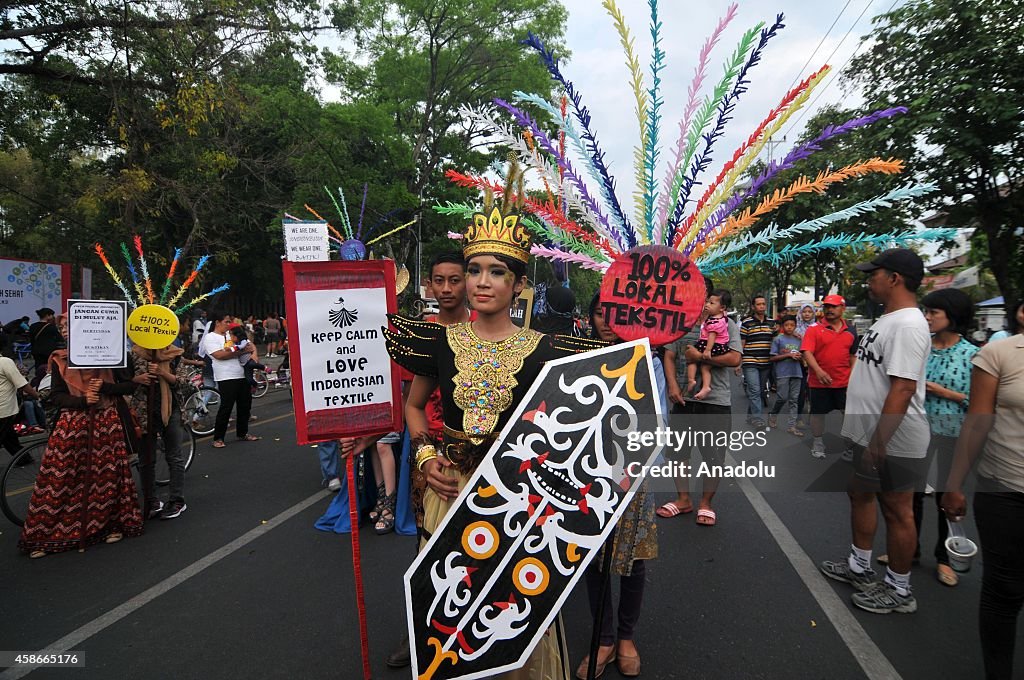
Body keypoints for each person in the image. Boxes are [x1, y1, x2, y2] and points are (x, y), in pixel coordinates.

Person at [383, 178, 603, 679]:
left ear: (518, 285)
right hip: (450, 491)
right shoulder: (439, 340)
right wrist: (423, 457)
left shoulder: (548, 352)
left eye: (496, 272)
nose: (481, 281)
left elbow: (564, 434)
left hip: (516, 501)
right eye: (474, 270)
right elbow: (414, 407)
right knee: (450, 608)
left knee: (510, 613)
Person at [820, 248, 931, 615]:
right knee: (859, 493)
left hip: (892, 438)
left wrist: (878, 445)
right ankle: (859, 566)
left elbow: (902, 389)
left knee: (898, 510)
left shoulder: (909, 325)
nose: (870, 279)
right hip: (868, 433)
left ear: (894, 278)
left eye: (875, 273)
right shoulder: (887, 319)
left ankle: (900, 590)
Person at [576, 292, 665, 679]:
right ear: (591, 317)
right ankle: (605, 637)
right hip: (585, 473)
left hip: (633, 474)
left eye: (617, 315)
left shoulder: (650, 360)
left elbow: (655, 421)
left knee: (634, 559)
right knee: (591, 559)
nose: (606, 322)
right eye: (599, 313)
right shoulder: (577, 358)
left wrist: (634, 469)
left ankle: (627, 636)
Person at [942, 298, 1024, 680]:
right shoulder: (998, 354)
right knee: (1004, 590)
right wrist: (955, 484)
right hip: (1004, 488)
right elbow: (977, 421)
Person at [18, 314, 146, 557]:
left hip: (106, 422)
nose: (65, 330)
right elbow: (56, 395)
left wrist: (104, 388)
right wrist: (83, 400)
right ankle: (47, 534)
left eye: (69, 325)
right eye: (63, 327)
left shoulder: (112, 356)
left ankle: (111, 525)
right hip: (73, 422)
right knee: (60, 478)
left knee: (106, 477)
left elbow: (128, 385)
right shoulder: (59, 359)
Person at [873, 288, 978, 585]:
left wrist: (944, 393)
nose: (927, 317)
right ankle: (910, 549)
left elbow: (978, 402)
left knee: (945, 497)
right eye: (926, 311)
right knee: (911, 497)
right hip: (916, 431)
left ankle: (944, 558)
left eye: (934, 313)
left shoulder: (971, 355)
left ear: (953, 318)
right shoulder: (922, 345)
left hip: (951, 435)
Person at [656, 286, 743, 525]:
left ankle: (706, 503)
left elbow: (735, 358)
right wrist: (673, 386)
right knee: (677, 454)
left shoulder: (727, 324)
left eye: (705, 297)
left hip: (715, 401)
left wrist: (702, 357)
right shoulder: (680, 324)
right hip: (684, 400)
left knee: (714, 457)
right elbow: (669, 356)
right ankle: (683, 499)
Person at [128, 340, 191, 521]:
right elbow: (123, 381)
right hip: (143, 411)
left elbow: (184, 383)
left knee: (174, 456)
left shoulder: (175, 355)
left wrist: (162, 373)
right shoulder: (135, 355)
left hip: (170, 411)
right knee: (146, 459)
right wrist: (137, 379)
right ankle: (151, 500)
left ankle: (176, 500)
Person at [800, 295, 858, 459]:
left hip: (844, 383)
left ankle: (849, 446)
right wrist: (818, 371)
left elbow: (853, 355)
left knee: (848, 416)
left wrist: (853, 375)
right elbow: (806, 352)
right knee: (818, 414)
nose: (830, 310)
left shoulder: (851, 331)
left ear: (843, 308)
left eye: (833, 306)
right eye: (827, 307)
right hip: (818, 383)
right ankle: (818, 442)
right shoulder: (814, 329)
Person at [203, 310, 260, 448]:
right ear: (217, 322)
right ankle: (218, 438)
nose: (229, 324)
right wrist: (242, 352)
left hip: (242, 374)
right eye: (226, 322)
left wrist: (253, 354)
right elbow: (219, 355)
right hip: (226, 376)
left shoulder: (231, 334)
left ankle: (242, 432)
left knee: (245, 405)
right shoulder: (210, 337)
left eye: (230, 321)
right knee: (226, 407)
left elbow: (250, 345)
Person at [739, 295, 777, 428]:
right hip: (750, 360)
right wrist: (738, 362)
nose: (761, 306)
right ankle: (758, 419)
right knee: (754, 390)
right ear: (753, 307)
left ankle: (751, 416)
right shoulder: (746, 323)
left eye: (763, 304)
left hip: (766, 362)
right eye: (759, 304)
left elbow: (776, 341)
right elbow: (742, 343)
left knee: (760, 391)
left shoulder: (772, 323)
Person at [686, 290, 731, 401]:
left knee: (694, 361)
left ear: (722, 308)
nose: (707, 305)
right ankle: (703, 385)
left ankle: (694, 381)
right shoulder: (721, 318)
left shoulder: (714, 321)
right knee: (704, 367)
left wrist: (707, 350)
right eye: (707, 302)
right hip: (715, 345)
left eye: (711, 303)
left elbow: (712, 336)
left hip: (713, 346)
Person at [767, 315, 804, 436]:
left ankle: (791, 426)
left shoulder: (799, 340)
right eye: (787, 325)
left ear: (795, 326)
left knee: (794, 399)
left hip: (797, 372)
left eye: (792, 325)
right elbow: (772, 357)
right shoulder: (778, 339)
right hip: (782, 373)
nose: (789, 327)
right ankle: (773, 414)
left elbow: (804, 355)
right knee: (782, 397)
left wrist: (800, 357)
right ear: (783, 326)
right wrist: (788, 355)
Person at [1, 353, 41, 457]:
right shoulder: (5, 362)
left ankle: (23, 458)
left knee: (8, 436)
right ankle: (22, 457)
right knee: (6, 435)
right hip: (4, 409)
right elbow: (22, 384)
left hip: (4, 409)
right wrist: (37, 396)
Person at [28, 308, 63, 382]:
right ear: (47, 315)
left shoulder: (32, 326)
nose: (53, 317)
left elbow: (31, 339)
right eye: (52, 315)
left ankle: (38, 383)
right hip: (49, 352)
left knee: (38, 369)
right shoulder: (51, 327)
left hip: (36, 352)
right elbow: (60, 338)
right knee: (49, 369)